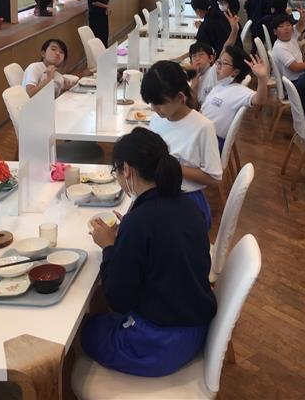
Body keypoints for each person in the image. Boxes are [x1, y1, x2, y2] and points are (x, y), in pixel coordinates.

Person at [81, 127, 216, 377]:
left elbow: (117, 300)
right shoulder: (189, 205)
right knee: (101, 320)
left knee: (86, 331)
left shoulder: (139, 221)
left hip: (160, 345)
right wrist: (126, 237)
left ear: (127, 170)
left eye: (116, 171)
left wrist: (109, 246)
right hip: (196, 327)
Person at [142, 61, 222, 227]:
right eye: (151, 103)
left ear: (180, 97)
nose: (154, 108)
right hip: (158, 195)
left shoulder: (203, 127)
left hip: (187, 200)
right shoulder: (157, 119)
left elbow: (214, 178)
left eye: (158, 103)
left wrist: (172, 166)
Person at [201, 46, 269, 150]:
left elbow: (260, 100)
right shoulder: (219, 86)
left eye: (224, 63)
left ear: (235, 72)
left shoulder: (239, 91)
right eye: (219, 62)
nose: (218, 66)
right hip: (203, 134)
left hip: (212, 142)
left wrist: (262, 78)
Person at [271, 9, 305, 82]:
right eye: (281, 26)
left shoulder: (292, 36)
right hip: (293, 81)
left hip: (300, 76)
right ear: (275, 31)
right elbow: (295, 67)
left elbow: (301, 25)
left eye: (288, 25)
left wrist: (303, 17)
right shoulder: (280, 47)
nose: (286, 28)